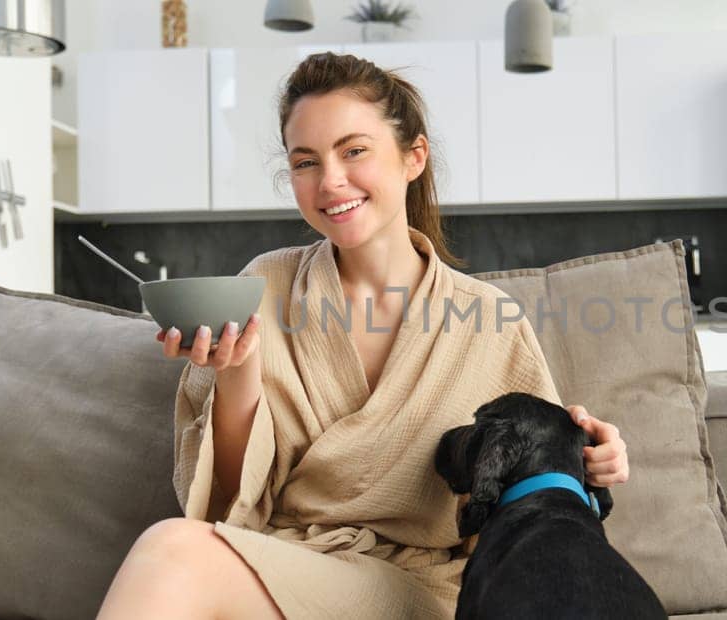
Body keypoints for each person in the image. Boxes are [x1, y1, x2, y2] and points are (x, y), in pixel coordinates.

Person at [96, 52, 631, 619]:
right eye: (305, 162)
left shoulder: (489, 319)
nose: (330, 181)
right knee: (181, 546)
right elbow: (226, 505)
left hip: (423, 589)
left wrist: (594, 458)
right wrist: (237, 372)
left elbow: (542, 490)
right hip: (285, 571)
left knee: (172, 549)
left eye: (354, 151)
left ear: (413, 157)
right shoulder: (264, 286)